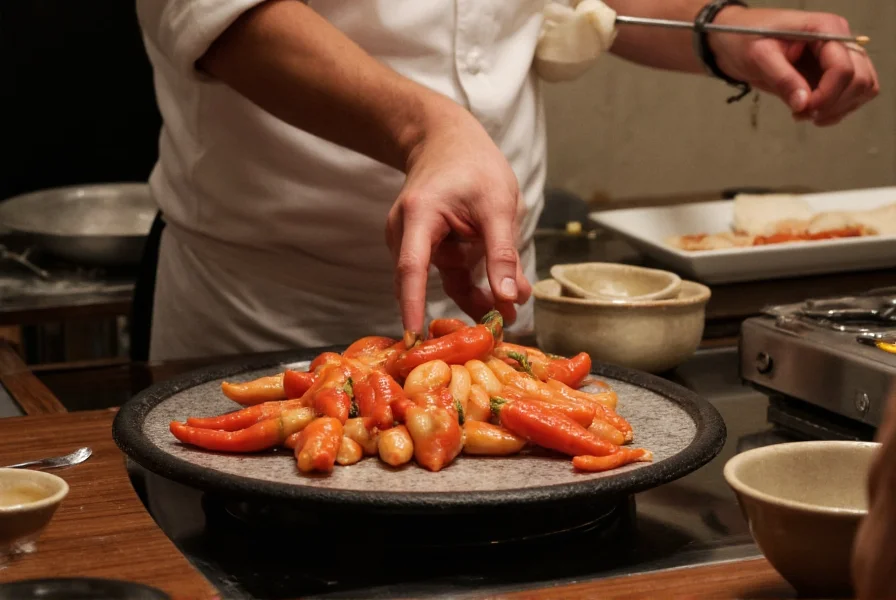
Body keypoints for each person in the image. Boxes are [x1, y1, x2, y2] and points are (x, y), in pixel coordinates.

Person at [135, 0, 879, 361]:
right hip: (266, 316)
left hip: (493, 309)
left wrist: (722, 29)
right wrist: (429, 128)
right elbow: (219, 16)